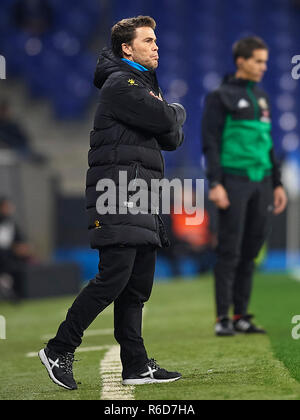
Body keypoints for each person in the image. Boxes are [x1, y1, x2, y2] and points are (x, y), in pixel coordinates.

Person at [39, 16, 186, 390]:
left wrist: (169, 117)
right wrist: (174, 113)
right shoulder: (122, 84)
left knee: (136, 285)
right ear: (126, 48)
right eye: (148, 40)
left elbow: (171, 139)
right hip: (118, 193)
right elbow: (169, 121)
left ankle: (136, 365)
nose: (156, 46)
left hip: (141, 195)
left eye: (156, 40)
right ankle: (59, 348)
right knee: (113, 278)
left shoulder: (143, 85)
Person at [202, 36, 288, 337]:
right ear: (242, 61)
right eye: (259, 61)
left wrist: (276, 183)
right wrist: (215, 183)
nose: (264, 66)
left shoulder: (262, 97)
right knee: (229, 250)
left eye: (265, 61)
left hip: (262, 182)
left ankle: (241, 316)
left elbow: (268, 145)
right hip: (234, 181)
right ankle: (222, 318)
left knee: (250, 251)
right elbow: (210, 143)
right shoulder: (220, 97)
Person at [0, 197, 31, 302]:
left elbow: (19, 239)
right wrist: (13, 249)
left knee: (21, 264)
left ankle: (16, 293)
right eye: (6, 207)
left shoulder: (11, 223)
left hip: (11, 258)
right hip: (4, 259)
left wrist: (23, 247)